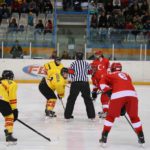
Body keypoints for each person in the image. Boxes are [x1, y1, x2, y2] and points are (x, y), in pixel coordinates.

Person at [99, 62, 145, 145]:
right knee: (134, 117)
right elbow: (126, 87)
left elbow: (101, 84)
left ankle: (104, 136)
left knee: (110, 116)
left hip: (118, 95)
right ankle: (141, 136)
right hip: (132, 95)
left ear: (112, 69)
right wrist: (123, 106)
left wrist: (108, 91)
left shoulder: (109, 75)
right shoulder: (126, 75)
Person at [64, 51, 95, 119]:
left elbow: (71, 73)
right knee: (88, 99)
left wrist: (70, 80)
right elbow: (90, 72)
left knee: (71, 99)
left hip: (75, 83)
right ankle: (91, 115)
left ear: (76, 57)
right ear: (83, 57)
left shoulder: (73, 63)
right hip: (85, 83)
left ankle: (67, 115)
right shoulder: (86, 63)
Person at [0, 70, 18, 142]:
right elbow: (12, 97)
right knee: (9, 117)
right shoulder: (12, 83)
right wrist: (14, 110)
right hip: (2, 101)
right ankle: (9, 134)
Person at [91, 50, 110, 118]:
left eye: (97, 54)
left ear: (100, 54)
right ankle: (105, 111)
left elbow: (108, 71)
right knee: (103, 97)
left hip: (105, 82)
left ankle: (106, 112)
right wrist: (94, 91)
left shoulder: (106, 61)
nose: (95, 56)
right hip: (99, 83)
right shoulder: (94, 62)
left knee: (104, 97)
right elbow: (94, 81)